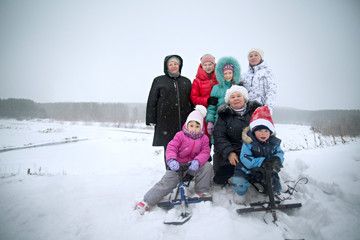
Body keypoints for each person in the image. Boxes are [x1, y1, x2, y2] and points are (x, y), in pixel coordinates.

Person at [136, 105, 213, 214]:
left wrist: (197, 161)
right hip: (177, 166)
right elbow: (171, 148)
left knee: (207, 166)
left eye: (197, 126)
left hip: (192, 166)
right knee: (166, 183)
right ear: (187, 125)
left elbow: (205, 152)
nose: (194, 128)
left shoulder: (204, 138)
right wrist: (172, 160)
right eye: (191, 125)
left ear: (201, 127)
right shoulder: (180, 135)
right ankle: (147, 201)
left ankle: (202, 191)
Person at [146, 55, 193, 169]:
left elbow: (191, 100)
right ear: (166, 66)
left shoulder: (186, 81)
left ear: (180, 66)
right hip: (165, 121)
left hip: (184, 121)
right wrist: (151, 119)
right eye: (170, 64)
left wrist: (194, 117)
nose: (173, 66)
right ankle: (170, 171)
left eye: (175, 64)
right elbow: (152, 100)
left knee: (184, 146)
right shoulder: (159, 80)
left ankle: (184, 171)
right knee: (170, 147)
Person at [212, 85, 262, 185]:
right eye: (232, 97)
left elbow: (264, 131)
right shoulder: (224, 115)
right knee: (220, 177)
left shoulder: (255, 112)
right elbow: (219, 136)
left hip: (251, 149)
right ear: (229, 100)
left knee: (259, 172)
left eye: (238, 96)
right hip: (233, 150)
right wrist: (229, 152)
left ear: (244, 98)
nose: (236, 99)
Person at [232, 106, 284, 197]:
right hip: (246, 170)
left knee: (275, 188)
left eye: (266, 131)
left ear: (270, 132)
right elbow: (245, 157)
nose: (263, 133)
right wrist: (262, 162)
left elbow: (280, 153)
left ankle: (265, 185)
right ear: (254, 131)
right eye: (260, 130)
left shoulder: (274, 142)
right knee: (239, 184)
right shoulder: (248, 141)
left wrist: (276, 160)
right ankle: (240, 194)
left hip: (265, 171)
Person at [190, 54, 218, 160]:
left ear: (214, 65)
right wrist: (207, 100)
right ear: (201, 66)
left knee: (219, 140)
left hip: (218, 113)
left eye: (210, 64)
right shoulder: (197, 81)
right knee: (205, 142)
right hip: (204, 114)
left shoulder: (219, 78)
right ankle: (203, 164)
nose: (208, 67)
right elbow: (194, 98)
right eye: (205, 64)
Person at [205, 56, 241, 142]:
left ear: (234, 73)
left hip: (236, 122)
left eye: (230, 73)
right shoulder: (216, 88)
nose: (228, 75)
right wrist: (210, 121)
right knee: (220, 146)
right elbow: (212, 107)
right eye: (225, 73)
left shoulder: (239, 87)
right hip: (219, 122)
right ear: (221, 74)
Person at [240, 48, 277, 114]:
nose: (253, 57)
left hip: (262, 108)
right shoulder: (244, 75)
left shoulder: (267, 72)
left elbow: (271, 91)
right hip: (247, 110)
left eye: (256, 55)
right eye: (250, 56)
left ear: (261, 57)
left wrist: (268, 108)